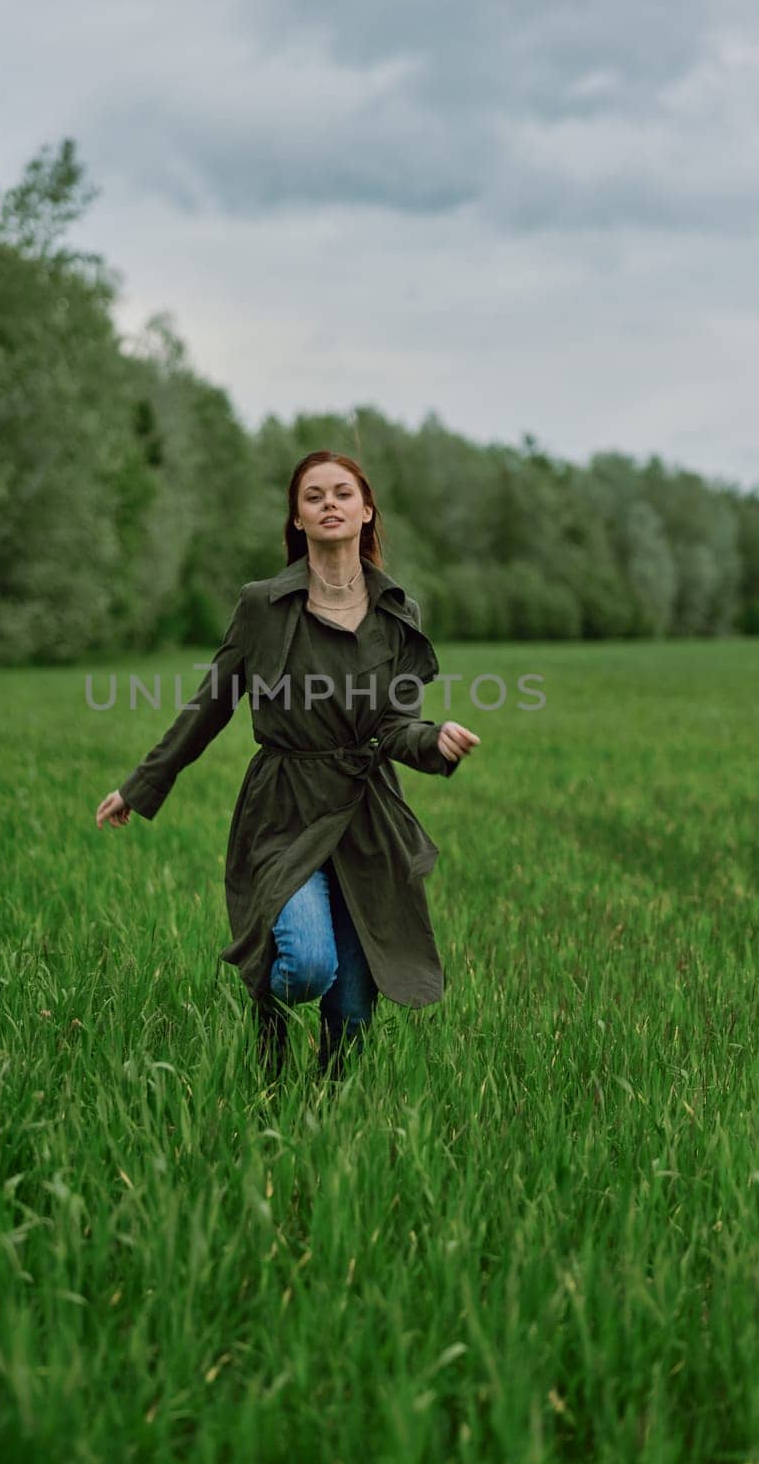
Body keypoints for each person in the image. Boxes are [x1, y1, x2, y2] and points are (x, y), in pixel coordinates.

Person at [96, 450, 479, 1086]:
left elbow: (394, 726)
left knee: (353, 1010)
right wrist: (141, 786)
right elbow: (209, 707)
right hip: (284, 808)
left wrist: (434, 742)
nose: (329, 503)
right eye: (313, 496)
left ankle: (323, 1118)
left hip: (365, 818)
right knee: (305, 965)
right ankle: (266, 1019)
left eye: (342, 494)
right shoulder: (262, 606)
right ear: (297, 519)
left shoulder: (397, 614)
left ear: (366, 511)